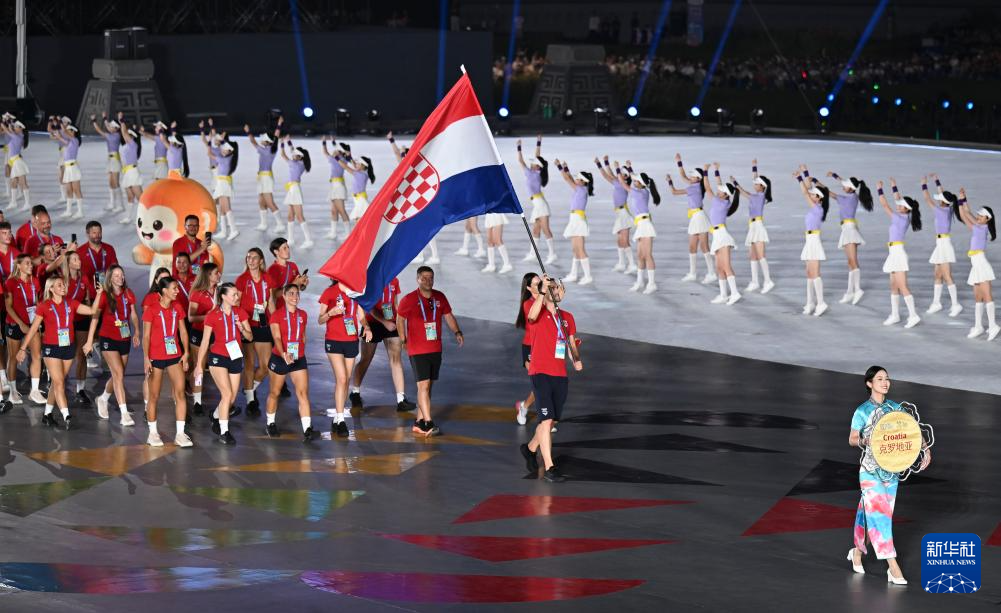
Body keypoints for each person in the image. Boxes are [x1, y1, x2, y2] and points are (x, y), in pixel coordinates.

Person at [847, 366, 930, 585]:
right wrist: (864, 440)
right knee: (880, 516)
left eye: (887, 379)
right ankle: (893, 567)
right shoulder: (862, 411)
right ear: (869, 383)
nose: (885, 382)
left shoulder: (895, 407)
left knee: (875, 516)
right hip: (870, 471)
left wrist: (925, 449)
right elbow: (852, 439)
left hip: (891, 470)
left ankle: (857, 552)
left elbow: (911, 431)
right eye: (880, 379)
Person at [519, 276, 583, 483]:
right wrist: (542, 291)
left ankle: (530, 448)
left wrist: (576, 359)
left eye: (558, 289)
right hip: (540, 373)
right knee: (546, 420)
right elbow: (531, 317)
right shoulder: (537, 311)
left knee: (552, 419)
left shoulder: (567, 317)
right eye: (552, 289)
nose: (556, 292)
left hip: (560, 374)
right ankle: (549, 467)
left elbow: (571, 343)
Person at [17, 277, 103, 429]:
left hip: (68, 348)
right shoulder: (44, 306)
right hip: (51, 349)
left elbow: (92, 311)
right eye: (59, 285)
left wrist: (99, 294)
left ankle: (47, 414)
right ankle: (66, 414)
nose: (63, 287)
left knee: (58, 382)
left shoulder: (71, 303)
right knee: (59, 383)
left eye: (63, 284)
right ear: (51, 289)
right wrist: (23, 348)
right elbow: (34, 328)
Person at [396, 266, 463, 436]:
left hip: (435, 348)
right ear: (418, 279)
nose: (428, 281)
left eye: (430, 277)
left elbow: (448, 315)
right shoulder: (409, 299)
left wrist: (457, 332)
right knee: (424, 386)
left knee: (427, 387)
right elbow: (400, 319)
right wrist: (403, 339)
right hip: (417, 349)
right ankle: (428, 422)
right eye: (424, 278)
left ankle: (419, 422)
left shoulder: (439, 297)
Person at [194, 282, 254, 444]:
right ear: (223, 297)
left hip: (235, 357)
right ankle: (224, 431)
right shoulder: (212, 315)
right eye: (233, 294)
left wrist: (241, 328)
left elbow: (250, 337)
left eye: (237, 293)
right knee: (226, 394)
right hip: (218, 358)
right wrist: (199, 365)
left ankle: (215, 415)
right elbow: (205, 341)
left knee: (232, 398)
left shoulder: (240, 312)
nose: (237, 296)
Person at [349, 277, 417, 413]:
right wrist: (384, 322)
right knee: (366, 359)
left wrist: (401, 326)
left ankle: (401, 400)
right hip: (372, 323)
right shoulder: (371, 279)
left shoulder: (395, 280)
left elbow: (395, 304)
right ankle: (355, 392)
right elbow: (368, 306)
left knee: (396, 359)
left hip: (391, 322)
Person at [83, 265, 140, 424]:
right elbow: (95, 318)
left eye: (121, 274)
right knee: (118, 374)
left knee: (118, 375)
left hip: (125, 338)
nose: (120, 277)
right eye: (116, 275)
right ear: (110, 278)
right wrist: (89, 341)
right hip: (108, 338)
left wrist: (137, 331)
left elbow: (133, 314)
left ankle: (103, 398)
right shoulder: (104, 295)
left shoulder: (128, 293)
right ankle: (124, 414)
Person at [141, 275, 193, 447]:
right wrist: (146, 358)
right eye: (174, 288)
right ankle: (152, 433)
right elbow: (146, 336)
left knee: (180, 393)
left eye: (177, 288)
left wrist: (186, 353)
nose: (177, 291)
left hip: (174, 356)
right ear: (164, 291)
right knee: (154, 396)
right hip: (156, 357)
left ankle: (180, 434)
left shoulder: (177, 307)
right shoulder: (151, 310)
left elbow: (183, 331)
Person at [319, 279, 372, 436]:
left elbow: (361, 315)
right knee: (342, 378)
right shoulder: (329, 292)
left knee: (346, 379)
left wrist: (367, 327)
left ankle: (337, 418)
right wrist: (331, 313)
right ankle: (341, 420)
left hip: (351, 340)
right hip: (334, 341)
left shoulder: (356, 293)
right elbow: (320, 319)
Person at [265, 283, 316, 442]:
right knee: (275, 392)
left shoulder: (303, 315)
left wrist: (299, 352)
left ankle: (307, 429)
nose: (295, 297)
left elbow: (303, 336)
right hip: (280, 357)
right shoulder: (276, 315)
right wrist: (284, 354)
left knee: (302, 393)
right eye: (291, 294)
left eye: (297, 294)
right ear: (284, 296)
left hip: (297, 358)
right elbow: (277, 337)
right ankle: (270, 423)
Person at [876, 179, 922, 328]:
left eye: (901, 205)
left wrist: (880, 190)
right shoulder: (903, 215)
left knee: (902, 286)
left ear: (906, 209)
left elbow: (885, 205)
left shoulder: (899, 218)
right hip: (893, 253)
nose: (898, 205)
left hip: (898, 253)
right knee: (894, 286)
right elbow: (898, 199)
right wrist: (894, 186)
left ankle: (913, 315)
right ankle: (895, 315)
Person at [388, 132, 439, 263]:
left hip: (418, 202)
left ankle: (433, 256)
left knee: (422, 229)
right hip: (413, 202)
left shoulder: (414, 167)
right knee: (417, 230)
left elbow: (399, 154)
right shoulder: (409, 166)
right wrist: (392, 140)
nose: (401, 156)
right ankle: (424, 255)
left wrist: (397, 145)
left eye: (404, 154)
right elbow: (397, 154)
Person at [235, 248, 275, 414]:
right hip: (247, 325)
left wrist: (276, 324)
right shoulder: (242, 279)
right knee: (249, 364)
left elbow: (270, 303)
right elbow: (236, 303)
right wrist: (238, 324)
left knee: (265, 366)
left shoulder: (268, 278)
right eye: (248, 257)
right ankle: (251, 400)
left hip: (263, 324)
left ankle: (249, 388)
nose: (250, 260)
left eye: (254, 257)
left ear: (261, 261)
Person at [824, 170, 873, 305]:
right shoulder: (853, 195)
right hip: (847, 229)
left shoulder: (847, 199)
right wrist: (835, 176)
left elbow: (829, 193)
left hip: (849, 230)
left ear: (851, 188)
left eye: (845, 186)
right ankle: (850, 292)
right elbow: (844, 182)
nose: (843, 187)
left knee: (853, 261)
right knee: (850, 263)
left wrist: (817, 184)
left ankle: (857, 289)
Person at [955, 189, 998, 340]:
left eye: (981, 215)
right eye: (978, 215)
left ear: (988, 219)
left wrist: (961, 201)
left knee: (987, 296)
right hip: (976, 265)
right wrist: (963, 198)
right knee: (978, 297)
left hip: (981, 265)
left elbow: (963, 215)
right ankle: (978, 326)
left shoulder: (980, 228)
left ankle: (993, 326)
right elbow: (967, 212)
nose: (978, 217)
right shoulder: (980, 225)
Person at [921, 175, 963, 317]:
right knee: (938, 275)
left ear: (944, 202)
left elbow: (927, 199)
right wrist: (937, 181)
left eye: (940, 199)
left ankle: (956, 304)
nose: (938, 199)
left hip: (944, 244)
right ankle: (936, 303)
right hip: (940, 244)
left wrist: (924, 185)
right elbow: (944, 194)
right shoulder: (948, 208)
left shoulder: (940, 210)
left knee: (946, 275)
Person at [670, 153, 715, 284]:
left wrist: (669, 182)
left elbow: (674, 192)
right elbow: (683, 176)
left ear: (698, 178)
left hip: (699, 217)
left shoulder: (693, 189)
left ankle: (712, 273)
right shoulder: (694, 185)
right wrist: (679, 162)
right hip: (695, 217)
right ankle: (692, 273)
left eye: (693, 175)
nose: (690, 177)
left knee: (704, 246)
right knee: (692, 247)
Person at [5, 254, 42, 405]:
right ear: (19, 266)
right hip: (15, 324)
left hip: (31, 324)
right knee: (13, 357)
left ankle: (34, 391)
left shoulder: (35, 281)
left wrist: (38, 320)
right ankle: (13, 392)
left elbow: (37, 303)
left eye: (31, 263)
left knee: (37, 356)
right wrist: (20, 323)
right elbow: (8, 306)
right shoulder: (11, 282)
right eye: (27, 263)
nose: (31, 266)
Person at [733, 160, 775, 293]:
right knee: (752, 255)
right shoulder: (758, 194)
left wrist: (736, 184)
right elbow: (754, 181)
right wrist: (754, 168)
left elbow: (745, 193)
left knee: (761, 255)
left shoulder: (759, 197)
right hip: (752, 226)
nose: (754, 184)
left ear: (762, 186)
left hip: (757, 226)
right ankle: (755, 281)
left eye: (757, 184)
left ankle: (768, 281)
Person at [793, 167, 830, 316]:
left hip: (814, 241)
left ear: (819, 198)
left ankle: (821, 303)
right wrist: (805, 173)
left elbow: (805, 192)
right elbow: (808, 189)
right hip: (809, 240)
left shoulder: (817, 208)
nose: (811, 194)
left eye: (814, 194)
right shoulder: (816, 206)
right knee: (809, 273)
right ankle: (810, 303)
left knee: (815, 273)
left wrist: (799, 178)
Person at [703, 163, 741, 305]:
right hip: (717, 236)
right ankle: (724, 295)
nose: (718, 191)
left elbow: (707, 188)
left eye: (721, 191)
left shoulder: (719, 202)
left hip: (722, 236)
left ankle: (735, 293)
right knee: (719, 267)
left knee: (726, 266)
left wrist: (705, 172)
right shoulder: (723, 200)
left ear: (726, 195)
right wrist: (717, 170)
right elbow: (720, 186)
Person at [187, 262, 221, 415]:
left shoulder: (220, 290)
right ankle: (197, 402)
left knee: (218, 366)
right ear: (208, 275)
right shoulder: (197, 293)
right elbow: (191, 317)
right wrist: (208, 316)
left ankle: (226, 399)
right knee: (199, 366)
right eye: (216, 273)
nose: (219, 275)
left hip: (216, 334)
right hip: (199, 333)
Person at [62, 249, 95, 405]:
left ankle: (80, 389)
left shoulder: (84, 279)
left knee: (81, 355)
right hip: (65, 322)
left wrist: (92, 322)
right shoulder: (62, 280)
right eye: (74, 259)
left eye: (79, 259)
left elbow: (88, 301)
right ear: (68, 263)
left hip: (81, 320)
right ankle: (57, 383)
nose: (79, 261)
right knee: (64, 354)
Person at [553, 159, 593, 285]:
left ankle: (588, 276)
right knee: (575, 249)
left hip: (578, 220)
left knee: (580, 249)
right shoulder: (579, 188)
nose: (575, 179)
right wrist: (566, 168)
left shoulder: (581, 189)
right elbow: (569, 178)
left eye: (578, 178)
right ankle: (573, 274)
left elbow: (567, 179)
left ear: (583, 181)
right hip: (574, 219)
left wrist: (560, 167)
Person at [594, 155, 636, 274]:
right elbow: (611, 174)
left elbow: (607, 175)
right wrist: (605, 162)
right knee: (619, 240)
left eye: (622, 173)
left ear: (626, 176)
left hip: (624, 214)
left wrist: (601, 164)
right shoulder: (619, 182)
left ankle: (632, 264)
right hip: (619, 213)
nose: (620, 174)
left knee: (624, 240)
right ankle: (622, 263)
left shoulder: (621, 184)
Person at [621, 170, 661, 294]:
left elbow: (623, 184)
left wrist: (618, 170)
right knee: (640, 256)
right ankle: (640, 281)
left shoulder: (639, 192)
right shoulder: (641, 190)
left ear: (641, 183)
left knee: (647, 255)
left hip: (646, 225)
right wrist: (629, 169)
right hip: (640, 225)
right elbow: (635, 178)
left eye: (636, 181)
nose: (634, 182)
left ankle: (652, 284)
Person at [515, 136, 554, 263]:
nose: (531, 163)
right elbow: (537, 157)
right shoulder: (535, 172)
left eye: (533, 162)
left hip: (540, 204)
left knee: (545, 229)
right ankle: (533, 253)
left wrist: (519, 147)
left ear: (537, 166)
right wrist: (538, 142)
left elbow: (521, 160)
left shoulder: (532, 173)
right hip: (537, 204)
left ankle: (552, 254)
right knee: (536, 230)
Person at [244, 121, 285, 234]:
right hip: (262, 177)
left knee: (269, 202)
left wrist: (248, 131)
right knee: (261, 202)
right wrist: (279, 124)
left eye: (263, 139)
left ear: (267, 141)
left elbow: (253, 141)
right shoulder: (270, 148)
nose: (260, 140)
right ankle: (263, 224)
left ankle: (280, 224)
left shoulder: (267, 150)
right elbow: (276, 137)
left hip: (266, 178)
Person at [514, 272, 541, 424]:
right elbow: (534, 318)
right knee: (539, 384)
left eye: (541, 283)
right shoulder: (528, 304)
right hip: (531, 347)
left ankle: (525, 406)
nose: (541, 286)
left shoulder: (547, 299)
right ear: (529, 288)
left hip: (546, 346)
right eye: (537, 284)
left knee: (546, 384)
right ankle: (527, 409)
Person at [279, 134, 314, 248]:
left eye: (295, 155)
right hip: (291, 189)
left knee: (299, 216)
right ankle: (290, 239)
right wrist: (288, 141)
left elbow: (283, 154)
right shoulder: (299, 162)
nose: (293, 155)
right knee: (290, 216)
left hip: (295, 190)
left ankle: (308, 240)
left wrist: (282, 143)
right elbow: (293, 150)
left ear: (300, 157)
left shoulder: (295, 164)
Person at [48, 119, 84, 220]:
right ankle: (69, 210)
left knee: (76, 190)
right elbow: (60, 136)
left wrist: (60, 124)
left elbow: (63, 133)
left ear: (73, 132)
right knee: (68, 190)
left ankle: (80, 211)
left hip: (73, 168)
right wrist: (58, 134)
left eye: (69, 130)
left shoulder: (75, 141)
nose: (67, 132)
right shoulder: (68, 141)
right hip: (67, 168)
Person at [91, 112, 123, 213]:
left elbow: (99, 130)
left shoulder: (116, 136)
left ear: (116, 128)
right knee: (111, 183)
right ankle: (112, 203)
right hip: (110, 160)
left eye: (111, 126)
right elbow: (107, 126)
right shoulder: (113, 133)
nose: (109, 127)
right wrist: (104, 118)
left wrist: (94, 121)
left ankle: (120, 205)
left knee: (116, 183)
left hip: (115, 160)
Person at [335, 149, 375, 230]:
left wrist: (336, 158)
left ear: (363, 166)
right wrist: (349, 157)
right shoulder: (363, 172)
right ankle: (360, 234)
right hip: (358, 199)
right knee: (358, 219)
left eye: (358, 164)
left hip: (361, 199)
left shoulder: (360, 174)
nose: (356, 165)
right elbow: (354, 165)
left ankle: (361, 235)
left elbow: (346, 167)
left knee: (359, 219)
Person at [208, 140, 239, 240]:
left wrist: (209, 144)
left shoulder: (223, 159)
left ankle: (234, 230)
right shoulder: (228, 157)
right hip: (222, 183)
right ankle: (223, 231)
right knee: (222, 209)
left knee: (226, 208)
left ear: (230, 151)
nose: (222, 149)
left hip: (223, 184)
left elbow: (209, 154)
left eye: (225, 148)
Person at [322, 136, 351, 240]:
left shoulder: (342, 160)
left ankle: (348, 234)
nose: (334, 151)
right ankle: (333, 233)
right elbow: (326, 152)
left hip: (339, 186)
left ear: (341, 152)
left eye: (337, 150)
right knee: (333, 211)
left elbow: (327, 153)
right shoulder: (336, 158)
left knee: (342, 210)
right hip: (333, 186)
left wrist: (328, 143)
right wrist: (326, 142)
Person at [0, 115, 30, 212]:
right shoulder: (18, 135)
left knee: (23, 183)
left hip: (17, 162)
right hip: (14, 162)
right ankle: (13, 202)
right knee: (13, 182)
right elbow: (9, 128)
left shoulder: (17, 136)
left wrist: (3, 121)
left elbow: (6, 129)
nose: (14, 128)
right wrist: (8, 121)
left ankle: (27, 203)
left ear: (21, 129)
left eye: (16, 127)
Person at [118, 117, 144, 224]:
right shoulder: (127, 145)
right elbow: (124, 134)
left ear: (132, 136)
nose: (126, 136)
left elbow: (124, 133)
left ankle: (145, 218)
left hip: (133, 172)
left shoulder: (133, 144)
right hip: (127, 173)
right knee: (130, 196)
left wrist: (121, 121)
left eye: (129, 134)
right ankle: (128, 217)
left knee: (140, 198)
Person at [78, 221, 118, 287]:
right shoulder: (80, 251)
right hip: (89, 290)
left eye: (99, 232)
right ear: (87, 234)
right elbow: (77, 273)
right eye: (94, 233)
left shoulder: (109, 248)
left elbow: (115, 268)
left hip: (108, 288)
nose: (97, 235)